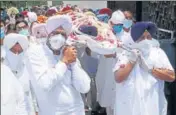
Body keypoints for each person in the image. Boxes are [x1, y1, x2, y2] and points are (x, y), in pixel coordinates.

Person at [26, 15, 91, 115]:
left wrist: (73, 64)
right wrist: (64, 61)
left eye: (63, 34)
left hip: (77, 110)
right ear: (48, 34)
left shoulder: (67, 52)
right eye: (56, 33)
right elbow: (44, 84)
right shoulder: (35, 52)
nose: (59, 37)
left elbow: (84, 87)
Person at [113, 22, 175, 115]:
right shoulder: (126, 54)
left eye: (148, 37)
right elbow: (118, 77)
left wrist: (151, 70)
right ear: (134, 39)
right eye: (142, 38)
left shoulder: (158, 53)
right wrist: (131, 62)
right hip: (130, 107)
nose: (146, 41)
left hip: (152, 105)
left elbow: (171, 76)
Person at [3, 33, 38, 115]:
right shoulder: (3, 70)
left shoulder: (27, 68)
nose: (16, 54)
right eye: (13, 51)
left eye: (19, 51)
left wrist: (36, 109)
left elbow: (32, 92)